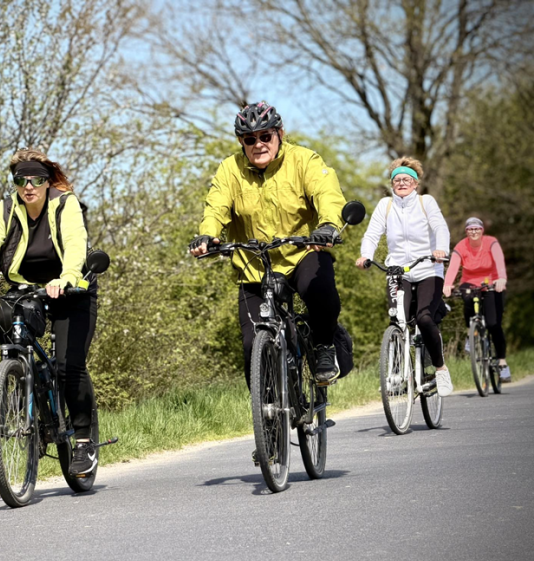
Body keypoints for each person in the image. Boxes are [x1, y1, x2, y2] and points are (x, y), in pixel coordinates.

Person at [0, 148, 98, 476]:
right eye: (21, 180)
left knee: (67, 365)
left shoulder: (65, 203)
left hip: (71, 287)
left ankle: (84, 442)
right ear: (16, 183)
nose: (29, 186)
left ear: (47, 181)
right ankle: (23, 389)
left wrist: (66, 278)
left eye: (36, 179)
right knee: (8, 322)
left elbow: (76, 244)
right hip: (26, 289)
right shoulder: (5, 209)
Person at [189, 101, 347, 387]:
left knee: (321, 291)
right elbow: (216, 207)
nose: (258, 144)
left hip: (302, 253)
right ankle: (270, 417)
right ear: (241, 141)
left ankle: (324, 346)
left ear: (280, 133)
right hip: (254, 265)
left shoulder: (304, 160)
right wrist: (208, 234)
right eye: (250, 139)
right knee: (252, 347)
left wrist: (328, 226)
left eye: (266, 136)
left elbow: (327, 193)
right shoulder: (230, 169)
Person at [355, 157, 453, 396]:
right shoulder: (385, 205)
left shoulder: (425, 202)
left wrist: (440, 250)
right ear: (392, 184)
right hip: (398, 270)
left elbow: (440, 227)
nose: (401, 183)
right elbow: (372, 234)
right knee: (397, 319)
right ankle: (397, 374)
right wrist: (365, 255)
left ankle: (440, 369)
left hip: (428, 268)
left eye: (406, 179)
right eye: (396, 180)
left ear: (415, 183)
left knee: (424, 317)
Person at [443, 217, 511, 382]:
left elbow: (499, 260)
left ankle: (502, 362)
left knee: (494, 324)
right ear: (466, 232)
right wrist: (447, 284)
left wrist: (501, 278)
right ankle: (471, 333)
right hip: (470, 282)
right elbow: (453, 266)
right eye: (470, 229)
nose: (474, 232)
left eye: (476, 229)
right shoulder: (461, 246)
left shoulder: (491, 242)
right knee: (466, 298)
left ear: (482, 230)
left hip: (492, 282)